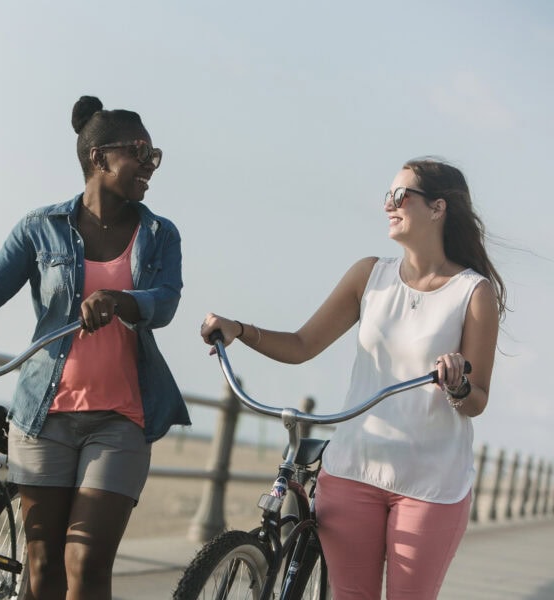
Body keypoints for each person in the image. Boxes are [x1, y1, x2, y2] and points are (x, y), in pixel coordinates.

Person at [0, 95, 189, 600]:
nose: (150, 166)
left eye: (155, 156)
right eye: (139, 153)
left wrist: (122, 301)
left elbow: (167, 302)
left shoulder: (159, 234)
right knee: (42, 566)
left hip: (122, 421)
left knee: (86, 564)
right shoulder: (39, 228)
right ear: (99, 157)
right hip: (44, 417)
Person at [200, 158, 505, 599]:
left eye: (401, 196)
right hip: (352, 471)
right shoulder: (370, 275)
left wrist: (458, 385)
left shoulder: (473, 293)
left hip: (430, 484)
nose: (388, 205)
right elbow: (303, 344)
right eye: (388, 196)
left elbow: (477, 399)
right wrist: (240, 330)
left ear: (438, 208)